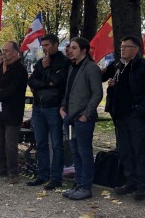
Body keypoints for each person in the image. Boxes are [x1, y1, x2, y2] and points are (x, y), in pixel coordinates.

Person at [102, 36, 145, 200]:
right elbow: (104, 78)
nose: (122, 49)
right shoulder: (119, 65)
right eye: (121, 46)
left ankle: (144, 185)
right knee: (125, 150)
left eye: (126, 46)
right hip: (120, 115)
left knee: (139, 151)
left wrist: (139, 111)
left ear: (136, 49)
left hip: (137, 116)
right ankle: (131, 181)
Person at [60, 37, 103, 200]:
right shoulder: (73, 67)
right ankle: (78, 183)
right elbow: (69, 90)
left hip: (82, 119)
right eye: (69, 47)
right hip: (70, 118)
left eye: (74, 48)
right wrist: (63, 106)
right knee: (75, 151)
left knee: (84, 152)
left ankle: (85, 186)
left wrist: (86, 114)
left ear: (84, 50)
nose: (70, 50)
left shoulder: (91, 68)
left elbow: (97, 93)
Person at [26, 33, 70, 190]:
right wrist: (47, 82)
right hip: (39, 107)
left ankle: (56, 177)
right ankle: (42, 175)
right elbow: (31, 81)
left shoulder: (64, 62)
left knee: (57, 144)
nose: (44, 48)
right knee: (41, 143)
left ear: (56, 44)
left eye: (47, 45)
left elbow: (58, 82)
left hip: (54, 107)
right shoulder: (41, 62)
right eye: (43, 46)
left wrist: (45, 72)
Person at [0, 41, 28, 184]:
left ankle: (13, 172)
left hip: (13, 112)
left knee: (10, 144)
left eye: (8, 51)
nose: (4, 53)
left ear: (16, 52)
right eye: (3, 50)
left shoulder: (20, 70)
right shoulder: (1, 68)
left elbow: (12, 90)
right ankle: (1, 167)